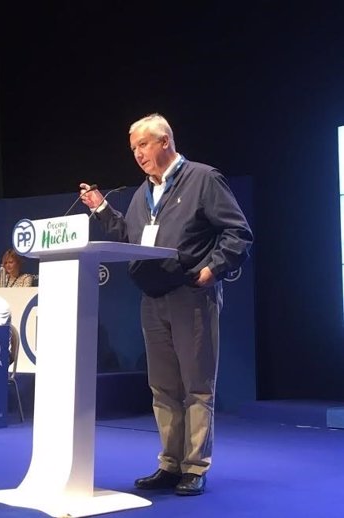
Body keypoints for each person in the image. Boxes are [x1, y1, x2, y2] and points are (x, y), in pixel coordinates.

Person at [80, 113, 253, 496]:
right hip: (152, 299)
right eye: (133, 149)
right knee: (162, 388)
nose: (137, 154)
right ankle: (170, 463)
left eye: (142, 145)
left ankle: (195, 466)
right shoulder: (144, 192)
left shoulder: (204, 179)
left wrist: (212, 270)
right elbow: (131, 236)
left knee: (197, 386)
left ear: (164, 142)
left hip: (192, 295)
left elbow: (238, 233)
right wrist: (100, 209)